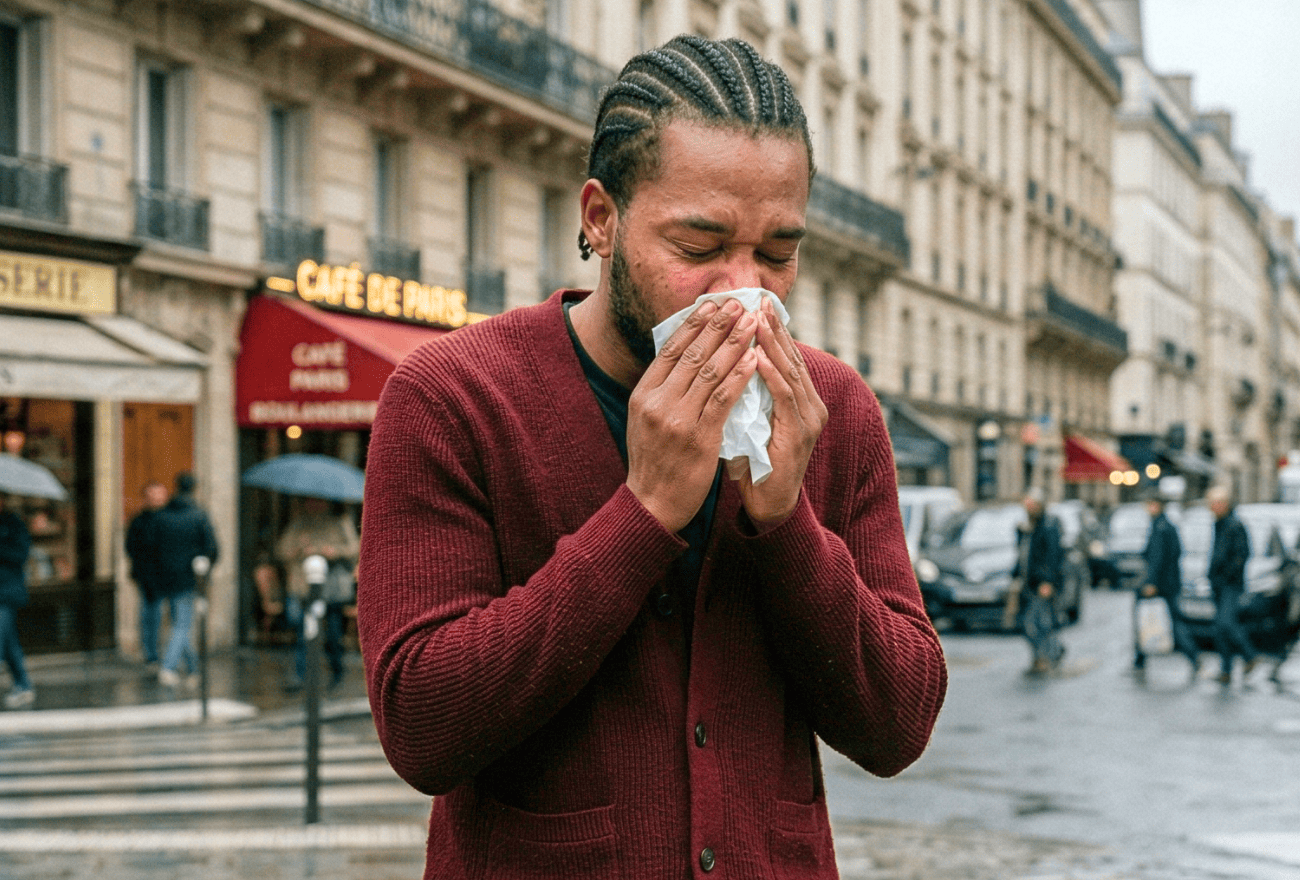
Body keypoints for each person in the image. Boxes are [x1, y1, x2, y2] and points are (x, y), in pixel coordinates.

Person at [357, 35, 946, 879]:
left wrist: (786, 524)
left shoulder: (832, 409)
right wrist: (643, 515)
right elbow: (422, 726)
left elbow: (899, 725)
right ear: (601, 218)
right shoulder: (452, 395)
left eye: (778, 254)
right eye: (699, 248)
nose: (742, 291)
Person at [275, 496, 359, 690]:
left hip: (331, 589)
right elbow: (282, 550)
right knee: (302, 630)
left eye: (317, 501)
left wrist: (334, 551)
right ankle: (300, 674)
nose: (313, 504)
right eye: (309, 501)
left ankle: (337, 673)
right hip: (303, 587)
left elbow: (354, 548)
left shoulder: (340, 522)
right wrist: (299, 547)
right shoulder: (299, 524)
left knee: (333, 633)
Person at [151, 472, 219, 687]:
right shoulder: (199, 515)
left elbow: (152, 549)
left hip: (166, 578)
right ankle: (168, 668)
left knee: (180, 624)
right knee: (182, 625)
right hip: (189, 579)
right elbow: (212, 549)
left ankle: (193, 669)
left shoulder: (161, 516)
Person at [1133, 494, 1200, 676]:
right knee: (1160, 618)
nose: (1148, 508)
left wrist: (1151, 582)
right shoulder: (1165, 525)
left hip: (1162, 584)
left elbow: (1157, 558)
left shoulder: (1161, 527)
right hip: (1168, 583)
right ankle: (1140, 658)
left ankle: (1191, 654)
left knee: (1169, 620)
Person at [1207, 485, 1258, 685]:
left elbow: (1242, 554)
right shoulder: (1218, 524)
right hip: (1219, 583)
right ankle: (1226, 669)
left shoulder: (1234, 525)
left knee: (1225, 622)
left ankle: (1250, 655)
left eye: (1217, 503)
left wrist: (1227, 573)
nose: (1214, 507)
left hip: (1230, 583)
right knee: (1220, 629)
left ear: (1225, 504)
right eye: (1212, 503)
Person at [1012, 489, 1066, 674]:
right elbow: (1023, 555)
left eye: (1032, 505)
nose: (1029, 508)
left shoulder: (1049, 526)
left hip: (1041, 584)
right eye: (1026, 505)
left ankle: (1046, 656)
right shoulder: (1027, 527)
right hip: (1028, 583)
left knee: (1035, 623)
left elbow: (1052, 556)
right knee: (1032, 623)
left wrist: (1048, 582)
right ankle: (1051, 652)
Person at [124, 480, 170, 666]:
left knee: (168, 616)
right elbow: (131, 547)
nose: (156, 499)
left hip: (169, 576)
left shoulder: (170, 518)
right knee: (149, 615)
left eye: (159, 495)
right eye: (152, 496)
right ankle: (151, 653)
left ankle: (166, 652)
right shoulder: (139, 521)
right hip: (147, 576)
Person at [0, 494, 35, 708]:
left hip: (6, 591)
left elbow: (20, 554)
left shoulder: (13, 524)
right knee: (9, 641)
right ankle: (23, 684)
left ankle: (23, 685)